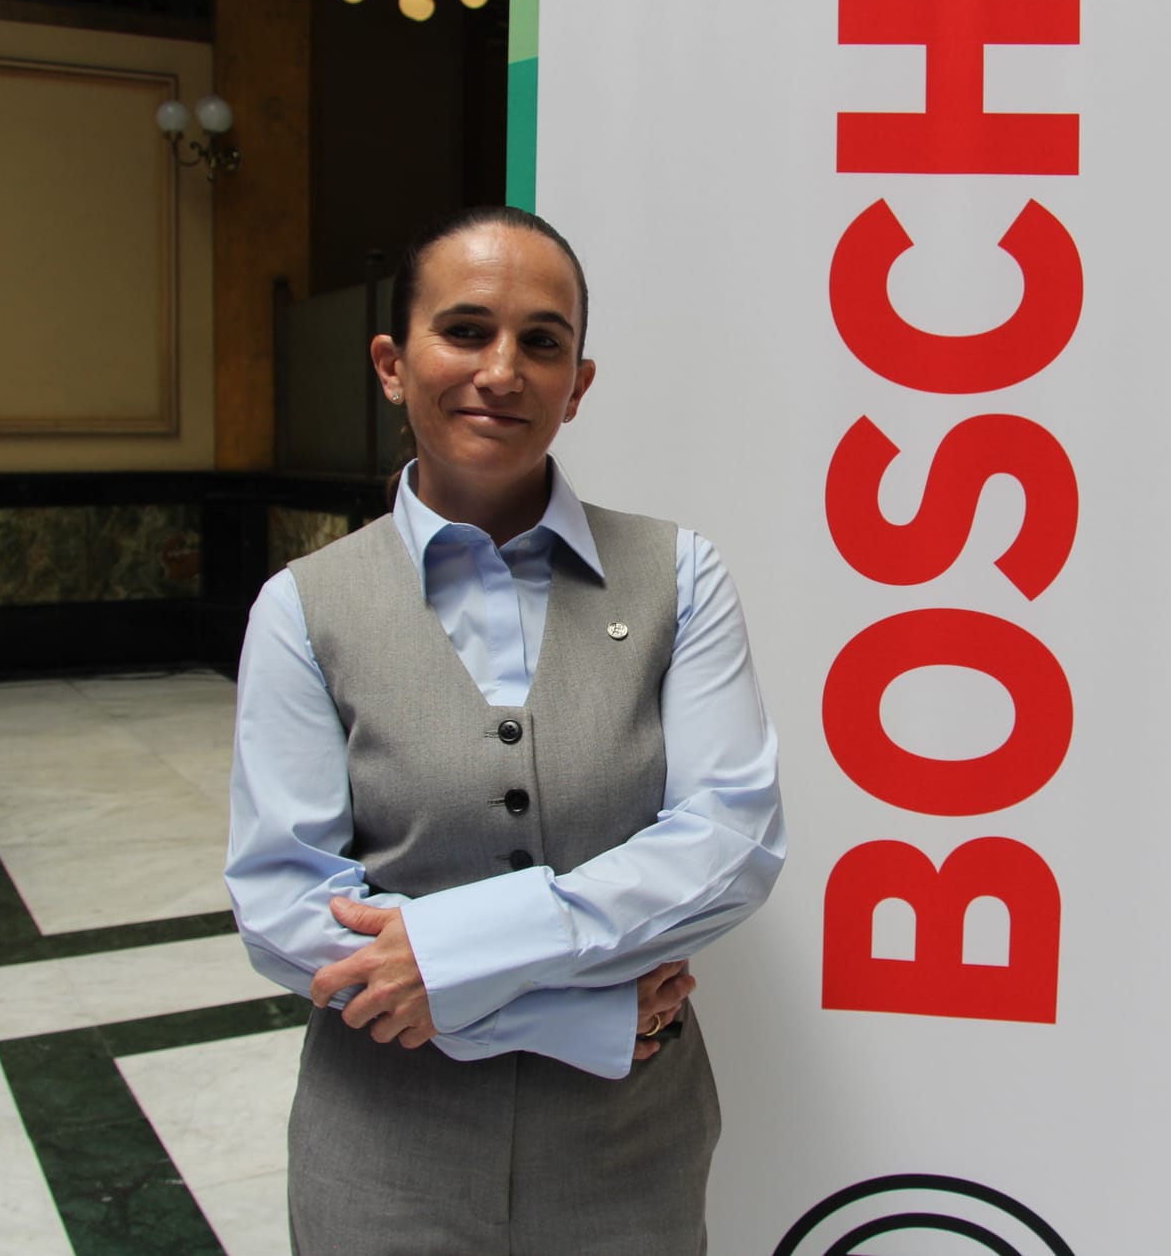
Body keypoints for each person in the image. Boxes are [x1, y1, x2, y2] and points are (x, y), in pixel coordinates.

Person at [225, 205, 786, 1254]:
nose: (502, 370)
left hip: (629, 1149)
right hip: (385, 1149)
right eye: (465, 330)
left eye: (541, 342)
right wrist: (575, 1014)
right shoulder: (302, 607)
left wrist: (446, 952)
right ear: (392, 364)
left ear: (577, 383)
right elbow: (284, 910)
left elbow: (730, 841)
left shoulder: (681, 576)